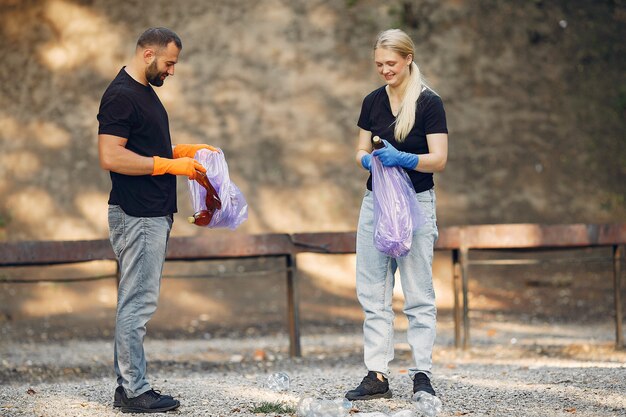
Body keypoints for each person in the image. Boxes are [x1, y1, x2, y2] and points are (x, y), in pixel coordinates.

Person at [97, 27, 216, 413]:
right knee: (137, 303)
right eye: (169, 62)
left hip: (151, 213)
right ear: (148, 54)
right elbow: (111, 157)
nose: (172, 71)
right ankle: (134, 391)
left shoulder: (143, 94)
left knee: (135, 301)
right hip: (138, 215)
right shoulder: (120, 96)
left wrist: (187, 151)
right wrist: (169, 164)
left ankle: (126, 386)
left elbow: (146, 148)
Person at [345, 28, 448, 401]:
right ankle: (377, 375)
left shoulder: (429, 103)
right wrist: (366, 160)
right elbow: (358, 146)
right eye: (379, 65)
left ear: (408, 59)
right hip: (377, 204)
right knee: (373, 291)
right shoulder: (372, 101)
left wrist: (404, 159)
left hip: (417, 204)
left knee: (418, 293)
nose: (385, 70)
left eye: (391, 63)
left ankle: (422, 373)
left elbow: (439, 158)